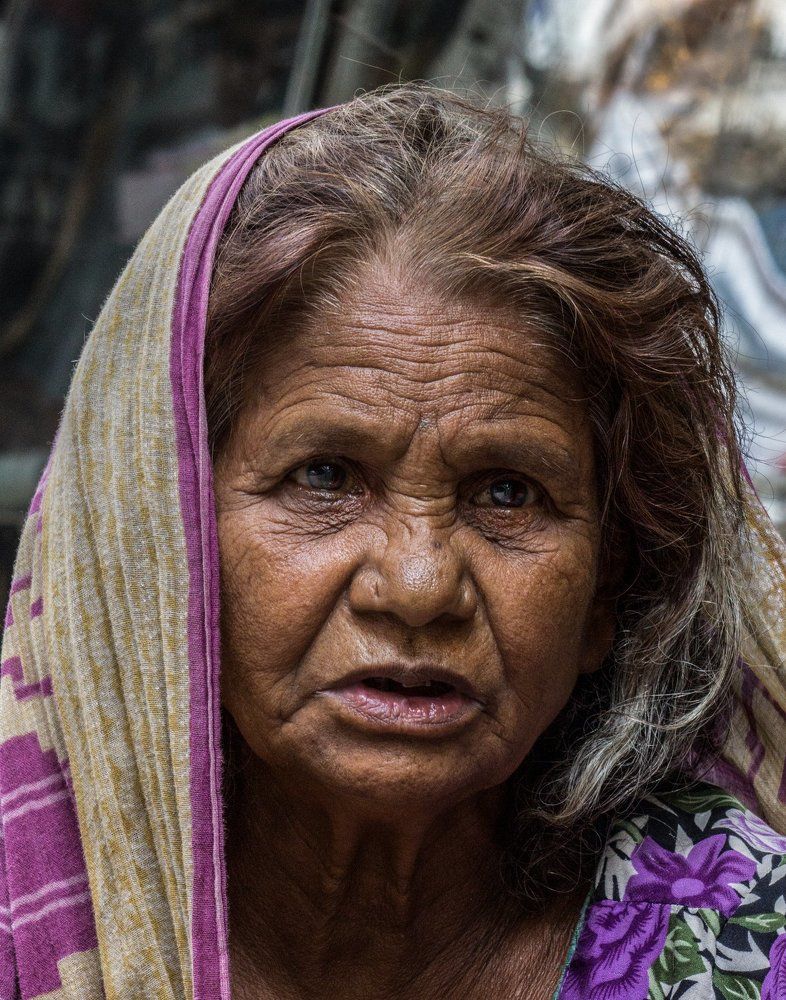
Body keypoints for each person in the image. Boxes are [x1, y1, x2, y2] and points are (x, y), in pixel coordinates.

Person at [1, 85, 785, 1000]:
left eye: (507, 493)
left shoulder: (741, 950)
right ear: (160, 541)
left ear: (608, 592)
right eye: (326, 477)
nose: (417, 586)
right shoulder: (30, 926)